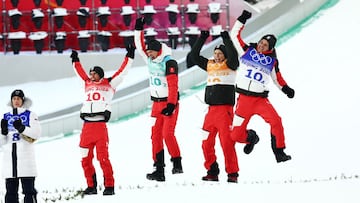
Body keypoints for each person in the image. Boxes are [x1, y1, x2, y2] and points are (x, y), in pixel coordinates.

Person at [229, 10, 295, 163]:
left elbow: (277, 78)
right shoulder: (247, 51)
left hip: (260, 101)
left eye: (265, 45)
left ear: (270, 48)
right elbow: (234, 35)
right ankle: (251, 137)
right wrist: (242, 19)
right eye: (261, 42)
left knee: (276, 121)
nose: (261, 45)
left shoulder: (272, 62)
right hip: (244, 101)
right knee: (235, 136)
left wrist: (286, 89)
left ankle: (279, 151)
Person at [70, 44, 135, 195]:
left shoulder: (110, 83)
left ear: (101, 74)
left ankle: (109, 186)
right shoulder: (86, 83)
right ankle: (91, 186)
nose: (91, 76)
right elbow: (79, 73)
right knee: (85, 159)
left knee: (103, 158)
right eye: (91, 73)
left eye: (94, 73)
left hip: (99, 127)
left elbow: (122, 72)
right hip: (86, 127)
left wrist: (129, 56)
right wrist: (75, 60)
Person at [134, 17, 183, 182]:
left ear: (158, 51)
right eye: (148, 52)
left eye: (151, 52)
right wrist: (138, 29)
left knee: (167, 134)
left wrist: (171, 103)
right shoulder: (150, 60)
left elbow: (173, 85)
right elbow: (140, 46)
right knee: (155, 136)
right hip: (156, 102)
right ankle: (159, 169)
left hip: (170, 102)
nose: (148, 54)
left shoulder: (169, 62)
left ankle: (177, 162)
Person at [187, 30, 240, 183]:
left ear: (225, 55)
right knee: (206, 142)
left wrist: (226, 38)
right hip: (210, 112)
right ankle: (212, 170)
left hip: (225, 111)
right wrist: (202, 37)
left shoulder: (230, 65)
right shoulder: (210, 65)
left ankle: (232, 173)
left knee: (226, 143)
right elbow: (194, 56)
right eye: (215, 53)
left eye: (220, 54)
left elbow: (234, 56)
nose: (216, 56)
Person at [1, 89, 41, 203]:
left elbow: (36, 134)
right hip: (9, 163)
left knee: (29, 193)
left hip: (26, 162)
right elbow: (2, 143)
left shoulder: (30, 115)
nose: (16, 101)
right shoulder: (5, 117)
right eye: (14, 98)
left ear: (23, 100)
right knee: (10, 195)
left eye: (18, 98)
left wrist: (22, 128)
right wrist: (3, 132)